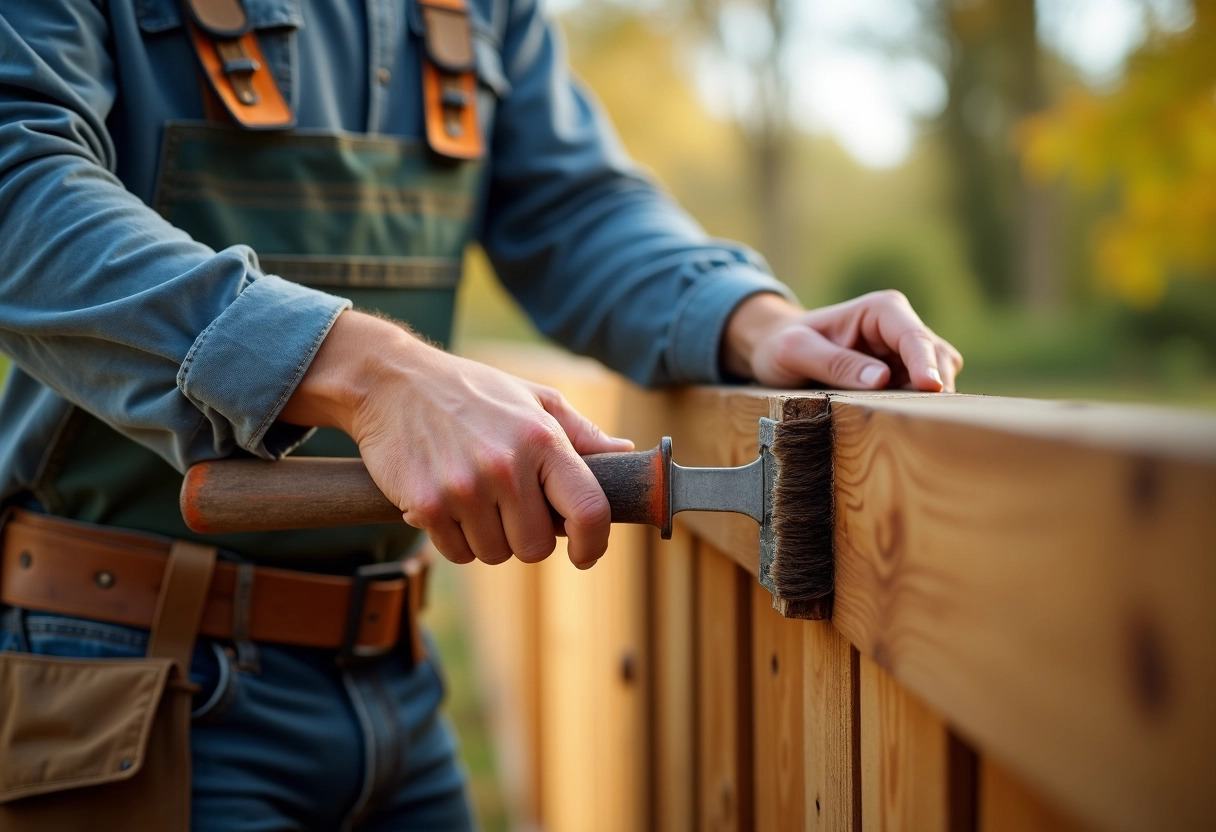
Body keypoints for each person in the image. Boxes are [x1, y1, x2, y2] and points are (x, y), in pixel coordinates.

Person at [0, 0, 962, 829]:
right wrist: (375, 374)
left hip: (395, 681)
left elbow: (573, 207)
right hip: (128, 674)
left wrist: (755, 322)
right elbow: (18, 179)